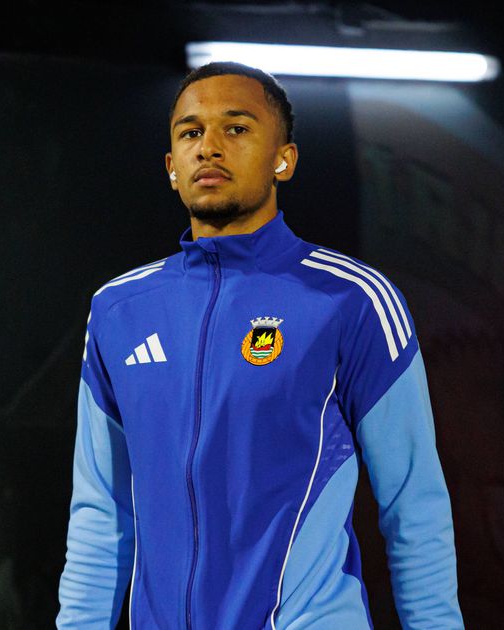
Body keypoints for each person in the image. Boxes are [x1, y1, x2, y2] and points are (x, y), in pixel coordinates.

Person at [55, 62, 462, 628]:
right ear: (171, 168)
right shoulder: (118, 310)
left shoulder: (352, 300)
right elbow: (100, 513)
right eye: (191, 133)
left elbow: (413, 505)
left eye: (237, 128)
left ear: (283, 160)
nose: (209, 147)